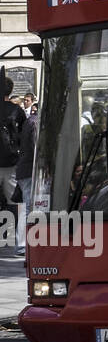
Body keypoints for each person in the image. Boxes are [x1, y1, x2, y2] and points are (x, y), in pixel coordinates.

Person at [0, 78, 26, 213]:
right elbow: (24, 136)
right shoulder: (17, 110)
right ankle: (16, 231)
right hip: (12, 162)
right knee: (14, 202)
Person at [12, 110, 34, 256]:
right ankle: (22, 245)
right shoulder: (36, 123)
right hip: (29, 170)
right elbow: (35, 148)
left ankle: (22, 245)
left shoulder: (30, 121)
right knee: (27, 209)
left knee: (25, 209)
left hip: (24, 169)